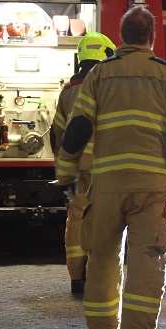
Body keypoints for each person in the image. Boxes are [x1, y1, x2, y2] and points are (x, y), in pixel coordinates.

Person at [55, 6, 166, 329]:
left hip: (106, 184)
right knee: (147, 261)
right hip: (150, 186)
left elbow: (77, 130)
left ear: (122, 37)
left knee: (102, 260)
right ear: (151, 37)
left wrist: (66, 173)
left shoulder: (100, 74)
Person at [49, 31, 116, 295]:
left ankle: (77, 277)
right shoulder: (108, 86)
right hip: (106, 165)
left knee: (77, 219)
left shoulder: (68, 90)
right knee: (107, 219)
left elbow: (57, 132)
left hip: (78, 168)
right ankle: (100, 275)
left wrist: (62, 165)